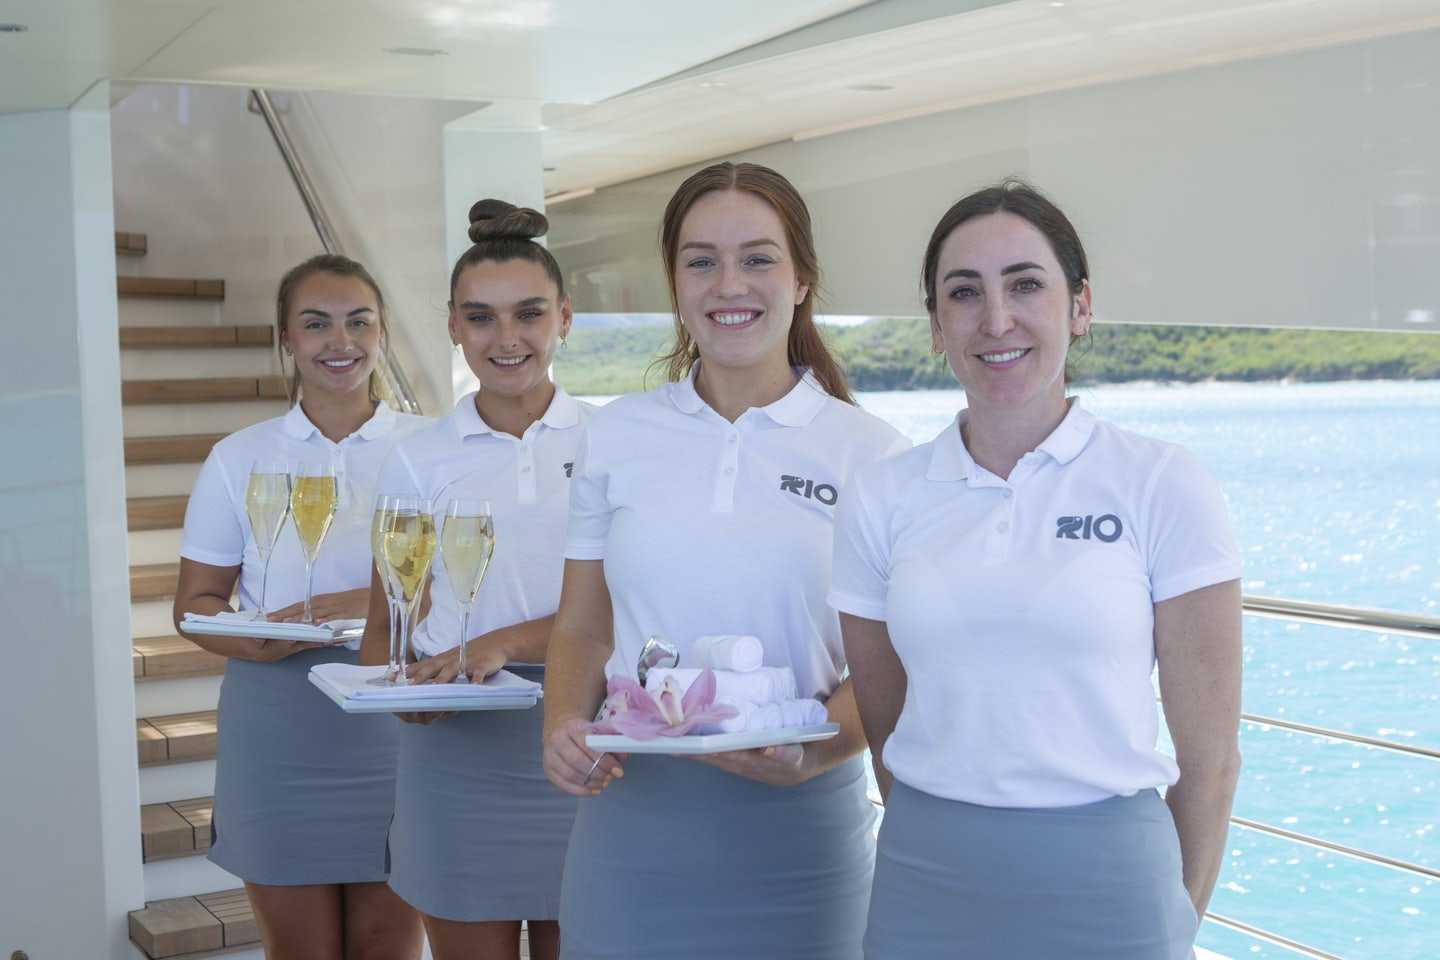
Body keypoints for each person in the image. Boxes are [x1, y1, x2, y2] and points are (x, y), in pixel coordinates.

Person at [830, 180, 1243, 959]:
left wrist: (1170, 920)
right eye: (964, 293)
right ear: (935, 326)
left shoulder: (1162, 482)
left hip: (1113, 891)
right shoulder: (881, 496)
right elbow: (886, 735)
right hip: (926, 885)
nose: (997, 320)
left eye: (1026, 284)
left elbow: (1212, 762)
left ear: (1079, 307)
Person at [541, 161, 910, 960]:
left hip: (805, 842)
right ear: (674, 281)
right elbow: (581, 624)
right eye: (701, 260)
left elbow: (895, 662)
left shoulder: (873, 455)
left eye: (758, 258)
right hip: (633, 829)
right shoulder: (615, 435)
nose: (727, 284)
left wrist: (815, 750)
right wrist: (563, 723)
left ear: (803, 278)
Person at [173, 254, 430, 959]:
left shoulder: (430, 448)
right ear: (286, 338)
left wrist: (364, 600)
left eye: (358, 322)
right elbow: (194, 603)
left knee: (389, 949)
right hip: (275, 720)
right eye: (315, 324)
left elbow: (470, 584)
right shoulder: (238, 457)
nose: (339, 342)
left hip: (395, 710)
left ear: (383, 333)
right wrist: (248, 642)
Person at [357, 199, 590, 960]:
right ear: (452, 326)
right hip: (456, 754)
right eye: (481, 317)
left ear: (564, 317)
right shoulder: (418, 460)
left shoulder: (616, 443)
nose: (507, 337)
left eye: (528, 314)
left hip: (588, 737)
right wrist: (398, 697)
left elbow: (632, 609)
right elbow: (387, 625)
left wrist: (496, 643)